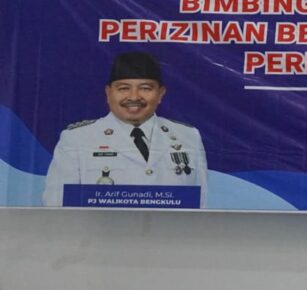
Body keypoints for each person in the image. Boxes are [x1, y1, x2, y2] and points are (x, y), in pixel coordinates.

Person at [42, 51, 208, 206]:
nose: (134, 96)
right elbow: (56, 205)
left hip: (171, 229)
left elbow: (200, 207)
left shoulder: (188, 136)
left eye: (145, 88)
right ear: (108, 93)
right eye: (123, 88)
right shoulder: (77, 138)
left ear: (161, 94)